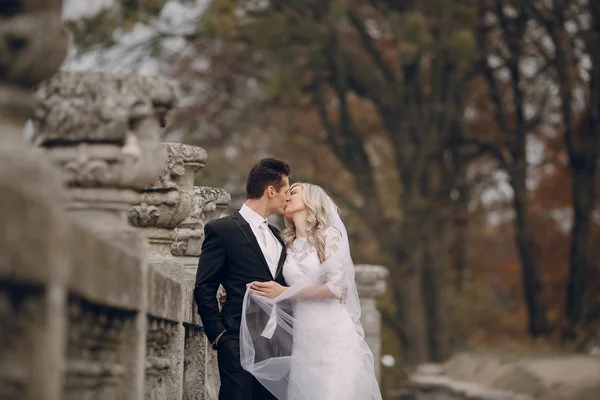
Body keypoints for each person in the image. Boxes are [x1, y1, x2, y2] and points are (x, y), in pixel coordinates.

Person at [240, 182, 382, 400]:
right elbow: (273, 283)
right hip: (303, 341)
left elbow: (337, 287)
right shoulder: (285, 243)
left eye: (293, 192)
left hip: (333, 336)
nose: (287, 196)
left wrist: (285, 293)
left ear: (311, 200)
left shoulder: (329, 236)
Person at [194, 158, 291, 400]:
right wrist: (219, 334)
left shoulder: (277, 236)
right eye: (286, 191)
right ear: (271, 191)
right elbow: (204, 286)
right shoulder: (222, 230)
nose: (288, 197)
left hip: (273, 349)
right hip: (236, 342)